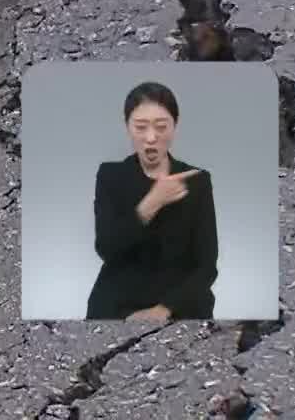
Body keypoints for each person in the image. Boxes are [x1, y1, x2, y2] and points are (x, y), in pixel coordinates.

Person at [85, 81, 218, 320]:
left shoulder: (197, 180)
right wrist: (152, 202)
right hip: (118, 305)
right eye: (140, 127)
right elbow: (106, 248)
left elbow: (207, 266)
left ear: (174, 126)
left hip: (181, 307)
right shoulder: (110, 176)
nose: (151, 137)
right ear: (128, 128)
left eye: (161, 126)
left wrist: (163, 310)